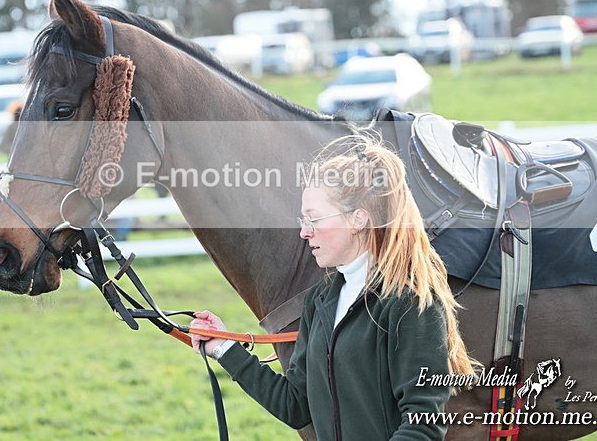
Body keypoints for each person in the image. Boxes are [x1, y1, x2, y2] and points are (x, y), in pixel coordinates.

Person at [190, 134, 480, 440]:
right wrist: (224, 347)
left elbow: (423, 426)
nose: (304, 232)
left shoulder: (410, 303)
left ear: (357, 220)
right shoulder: (320, 300)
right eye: (303, 219)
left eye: (314, 219)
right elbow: (295, 406)